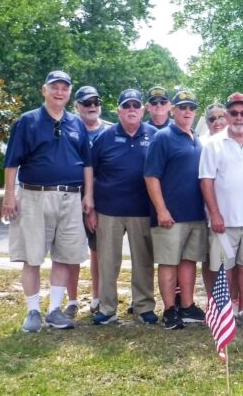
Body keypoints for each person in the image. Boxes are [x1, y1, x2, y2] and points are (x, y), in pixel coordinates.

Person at [3, 70, 92, 332]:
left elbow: (87, 164)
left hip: (70, 197)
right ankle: (32, 311)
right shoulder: (27, 121)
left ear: (69, 93)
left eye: (65, 88)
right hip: (34, 196)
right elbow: (11, 163)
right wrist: (10, 195)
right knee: (32, 257)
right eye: (55, 87)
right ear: (45, 90)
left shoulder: (77, 124)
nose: (59, 92)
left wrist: (89, 195)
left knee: (64, 256)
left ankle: (54, 310)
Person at [87, 89, 158, 325]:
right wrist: (91, 208)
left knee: (144, 262)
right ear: (118, 110)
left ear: (143, 109)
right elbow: (90, 173)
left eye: (135, 106)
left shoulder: (155, 135)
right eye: (126, 106)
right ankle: (107, 308)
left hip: (143, 210)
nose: (131, 110)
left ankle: (144, 306)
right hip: (109, 211)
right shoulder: (104, 137)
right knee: (107, 262)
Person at [200, 92, 243, 329]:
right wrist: (215, 213)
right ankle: (225, 312)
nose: (239, 117)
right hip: (224, 220)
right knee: (223, 268)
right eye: (234, 113)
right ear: (227, 115)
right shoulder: (213, 143)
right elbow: (206, 181)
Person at [144, 90, 208, 330]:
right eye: (182, 107)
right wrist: (161, 209)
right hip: (170, 215)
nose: (187, 111)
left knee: (189, 261)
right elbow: (151, 176)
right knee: (169, 263)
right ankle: (170, 309)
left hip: (195, 214)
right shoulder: (163, 137)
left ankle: (187, 305)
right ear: (173, 110)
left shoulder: (196, 138)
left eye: (191, 107)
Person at [63, 85, 112, 319]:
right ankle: (71, 300)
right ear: (77, 106)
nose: (92, 107)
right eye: (86, 103)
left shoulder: (111, 131)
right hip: (70, 197)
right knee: (68, 252)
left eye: (96, 102)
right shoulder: (67, 129)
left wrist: (94, 205)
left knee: (98, 251)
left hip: (101, 200)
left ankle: (97, 297)